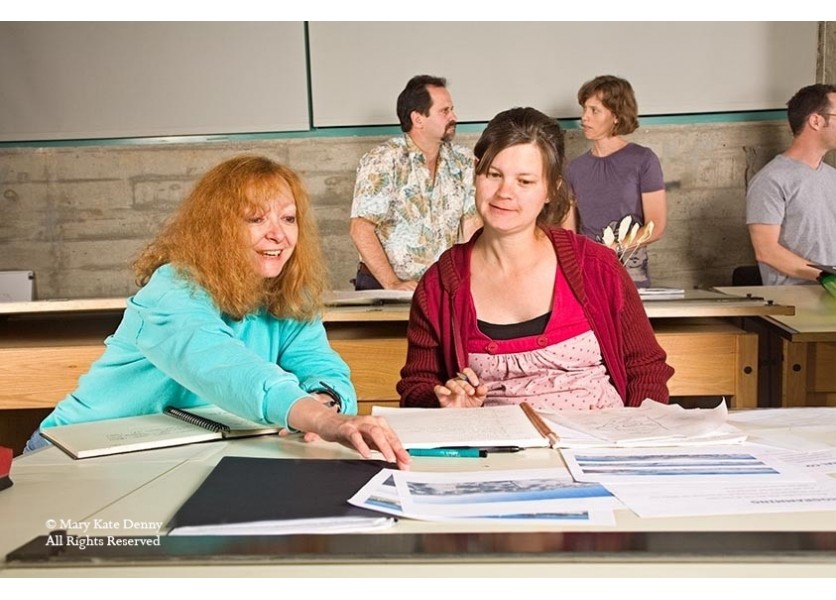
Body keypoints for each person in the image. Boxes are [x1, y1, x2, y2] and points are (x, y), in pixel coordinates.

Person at [27, 155, 410, 469]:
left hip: (179, 452)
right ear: (218, 229)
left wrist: (326, 401)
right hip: (74, 452)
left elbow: (322, 366)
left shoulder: (290, 292)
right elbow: (226, 368)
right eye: (256, 219)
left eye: (288, 218)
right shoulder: (171, 288)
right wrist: (321, 420)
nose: (279, 234)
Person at [397, 107, 673, 410]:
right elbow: (417, 385)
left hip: (602, 437)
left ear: (551, 190)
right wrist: (442, 401)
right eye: (494, 175)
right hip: (494, 442)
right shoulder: (440, 284)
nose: (505, 193)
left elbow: (646, 369)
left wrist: (632, 432)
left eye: (525, 181)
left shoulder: (597, 267)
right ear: (476, 172)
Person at [350, 74, 481, 291]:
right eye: (444, 111)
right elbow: (360, 229)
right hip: (382, 287)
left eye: (452, 109)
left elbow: (472, 226)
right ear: (418, 119)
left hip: (439, 287)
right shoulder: (383, 160)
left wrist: (473, 281)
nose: (454, 116)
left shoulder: (463, 161)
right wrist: (393, 284)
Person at [563, 75, 666, 288]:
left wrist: (611, 249)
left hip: (630, 276)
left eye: (594, 110)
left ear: (616, 116)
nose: (584, 118)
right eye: (584, 109)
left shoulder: (643, 160)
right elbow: (569, 234)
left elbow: (656, 226)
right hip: (588, 277)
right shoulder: (574, 169)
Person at [747, 83, 836, 286]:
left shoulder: (833, 177)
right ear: (816, 121)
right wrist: (828, 278)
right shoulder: (770, 181)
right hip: (796, 298)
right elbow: (766, 251)